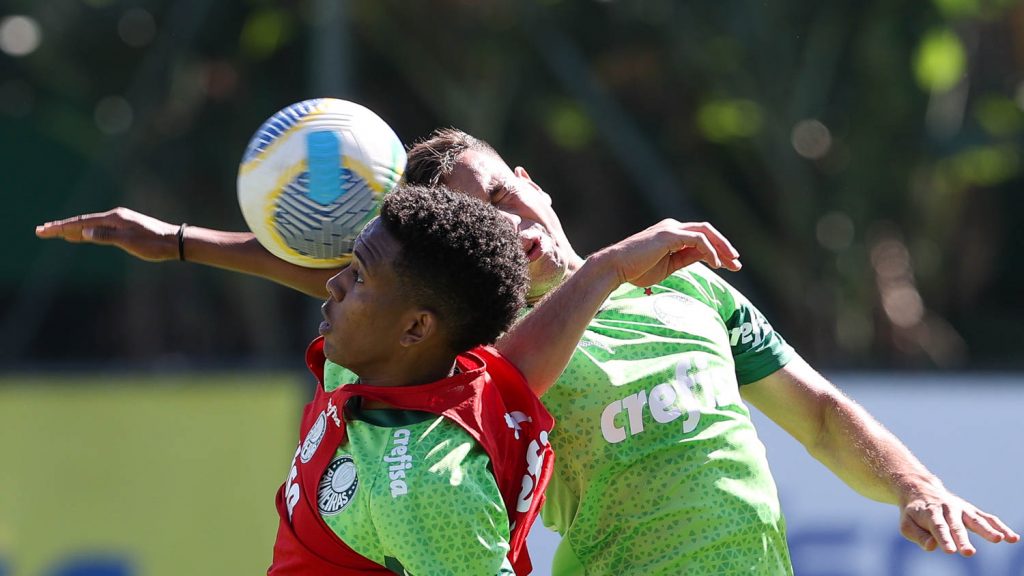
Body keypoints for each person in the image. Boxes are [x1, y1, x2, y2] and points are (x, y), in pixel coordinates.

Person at [37, 129, 1018, 575]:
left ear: (533, 181)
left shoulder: (687, 285)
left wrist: (913, 484)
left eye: (504, 191)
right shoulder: (478, 354)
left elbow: (814, 410)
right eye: (477, 219)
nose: (507, 219)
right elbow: (361, 293)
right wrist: (180, 242)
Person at [38, 181, 741, 575]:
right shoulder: (424, 365)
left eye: (358, 274)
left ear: (415, 328)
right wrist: (176, 241)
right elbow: (523, 358)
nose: (333, 282)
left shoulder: (430, 486)